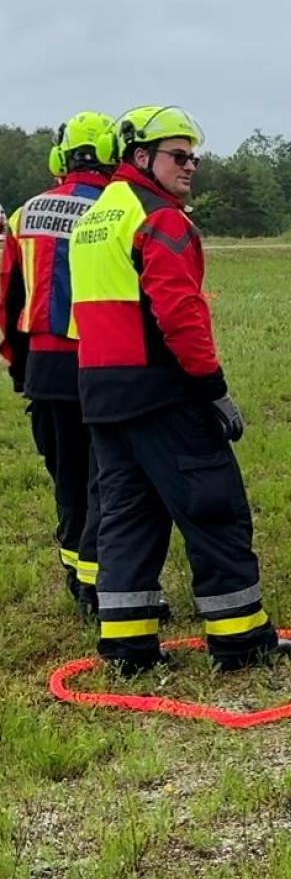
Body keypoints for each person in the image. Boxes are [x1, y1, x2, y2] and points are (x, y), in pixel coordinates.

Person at [68, 106, 291, 674]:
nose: (190, 165)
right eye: (179, 155)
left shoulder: (95, 218)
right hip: (163, 391)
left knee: (126, 518)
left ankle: (127, 648)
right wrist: (213, 388)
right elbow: (180, 314)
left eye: (194, 155)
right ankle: (240, 639)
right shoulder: (161, 220)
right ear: (141, 157)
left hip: (103, 392)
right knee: (214, 507)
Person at [2, 112, 121, 618]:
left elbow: (7, 296)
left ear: (60, 157)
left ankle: (78, 575)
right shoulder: (119, 210)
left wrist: (16, 363)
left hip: (43, 371)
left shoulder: (24, 215)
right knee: (108, 479)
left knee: (67, 477)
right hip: (105, 366)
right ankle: (102, 581)